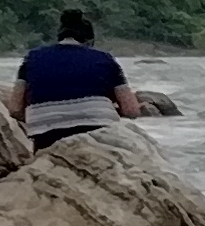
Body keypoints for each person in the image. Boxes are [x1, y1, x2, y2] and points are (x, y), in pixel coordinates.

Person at [12, 8, 140, 142]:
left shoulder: (32, 58)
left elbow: (15, 109)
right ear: (89, 41)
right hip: (98, 129)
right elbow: (131, 110)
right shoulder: (105, 59)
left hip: (45, 133)